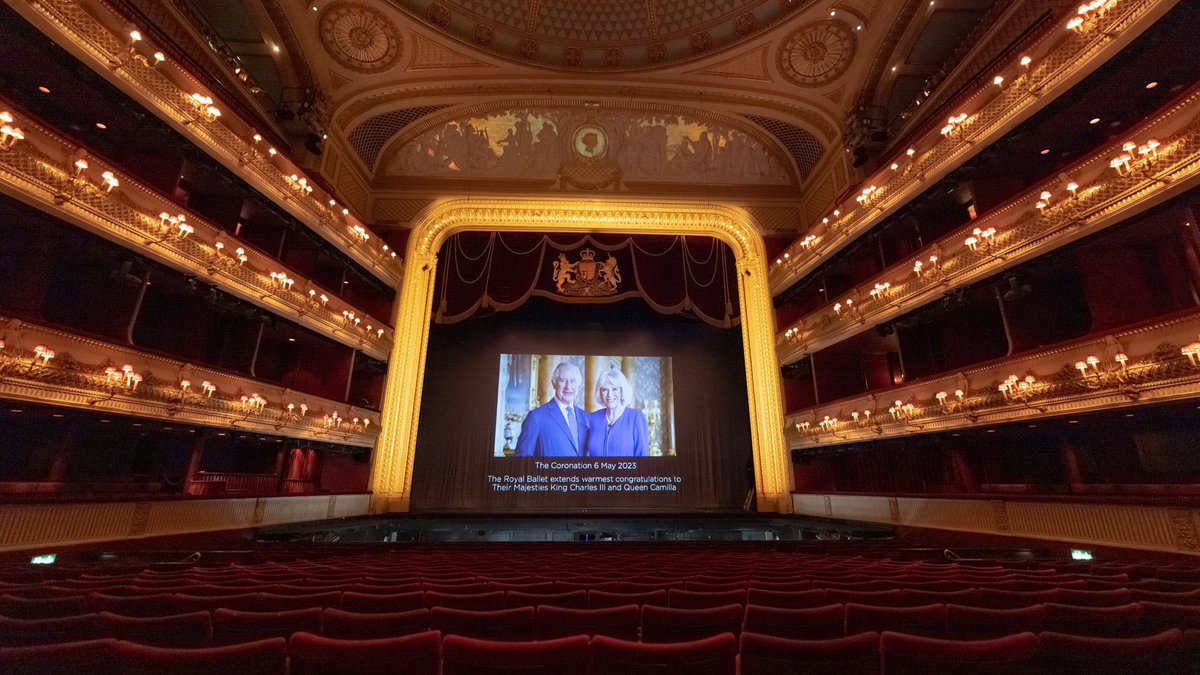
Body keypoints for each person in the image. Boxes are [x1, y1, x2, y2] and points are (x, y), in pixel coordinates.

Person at [514, 361, 588, 457]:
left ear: (579, 385)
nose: (568, 386)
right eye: (562, 380)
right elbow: (522, 461)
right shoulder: (536, 417)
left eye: (573, 381)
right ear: (553, 383)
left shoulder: (585, 417)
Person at [584, 369, 649, 457]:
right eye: (605, 390)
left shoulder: (636, 418)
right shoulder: (591, 419)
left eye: (614, 389)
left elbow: (643, 458)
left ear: (622, 392)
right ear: (600, 393)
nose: (609, 395)